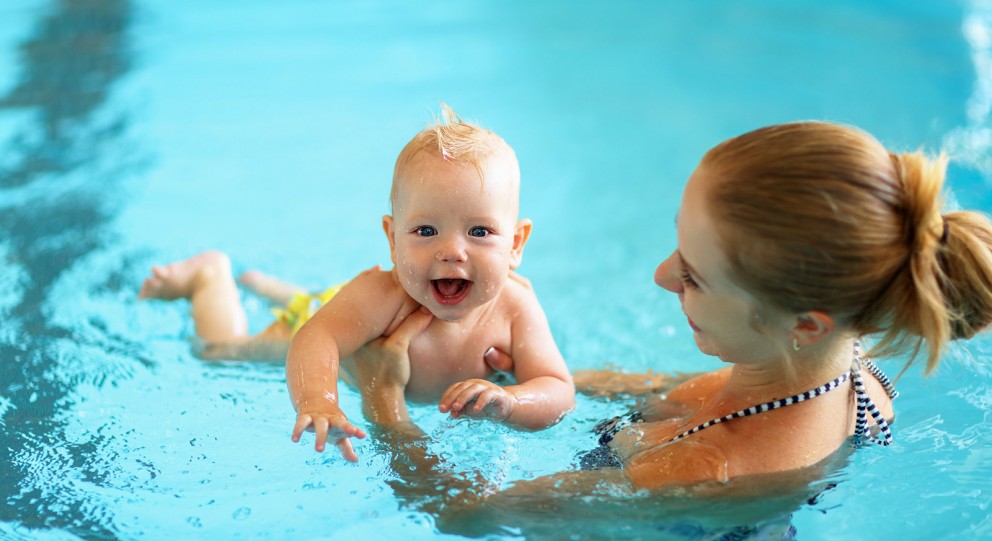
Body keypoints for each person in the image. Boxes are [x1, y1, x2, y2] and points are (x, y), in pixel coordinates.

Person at [352, 121, 992, 493]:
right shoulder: (844, 363)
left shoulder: (702, 468)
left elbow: (466, 518)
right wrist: (527, 382)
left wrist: (384, 404)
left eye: (694, 275)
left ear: (804, 322)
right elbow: (677, 393)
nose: (662, 276)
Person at [138, 104, 575, 462]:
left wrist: (512, 402)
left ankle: (273, 287)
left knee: (335, 306)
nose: (452, 251)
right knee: (223, 352)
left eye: (479, 232)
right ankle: (209, 277)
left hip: (350, 311)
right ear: (392, 239)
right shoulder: (385, 295)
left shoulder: (516, 307)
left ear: (516, 244)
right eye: (425, 231)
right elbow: (317, 336)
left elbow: (556, 387)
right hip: (330, 315)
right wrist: (317, 398)